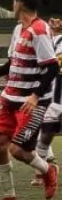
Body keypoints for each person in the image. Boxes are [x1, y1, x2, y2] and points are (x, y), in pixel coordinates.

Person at [0, 0, 60, 200]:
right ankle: (9, 199)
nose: (12, 7)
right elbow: (12, 62)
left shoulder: (39, 30)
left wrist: (35, 96)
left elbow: (51, 66)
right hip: (11, 97)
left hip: (31, 101)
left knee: (18, 150)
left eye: (13, 3)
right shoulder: (18, 30)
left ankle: (48, 170)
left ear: (20, 4)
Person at [31, 16, 62, 187]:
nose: (55, 21)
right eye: (51, 20)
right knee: (45, 135)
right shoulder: (45, 41)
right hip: (51, 99)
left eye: (58, 20)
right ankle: (41, 173)